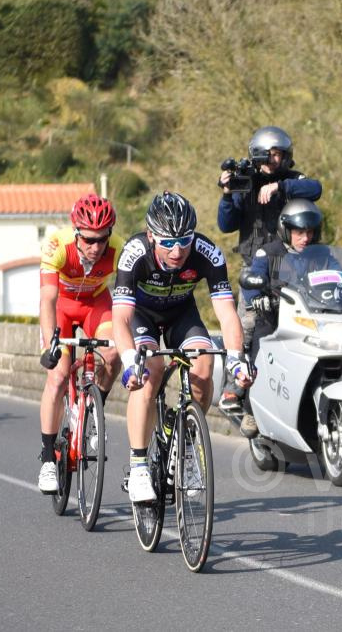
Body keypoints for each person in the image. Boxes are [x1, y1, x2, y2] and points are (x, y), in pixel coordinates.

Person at [113, 191, 253, 503]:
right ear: (151, 236)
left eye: (184, 240)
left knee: (205, 365)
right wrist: (127, 360)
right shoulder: (134, 253)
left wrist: (237, 359)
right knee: (150, 370)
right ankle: (138, 467)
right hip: (141, 316)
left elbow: (227, 313)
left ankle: (187, 445)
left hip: (181, 314)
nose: (177, 250)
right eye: (167, 242)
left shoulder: (208, 253)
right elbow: (120, 318)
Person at [216, 126, 322, 413]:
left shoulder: (291, 180)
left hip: (295, 265)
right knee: (246, 327)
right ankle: (234, 390)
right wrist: (228, 194)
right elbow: (226, 224)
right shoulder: (245, 180)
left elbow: (316, 188)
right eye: (270, 154)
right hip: (257, 267)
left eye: (280, 154)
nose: (275, 160)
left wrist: (280, 187)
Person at [36, 194, 122, 493]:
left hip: (96, 303)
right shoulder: (57, 246)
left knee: (112, 353)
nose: (96, 247)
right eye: (88, 240)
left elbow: (126, 299)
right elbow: (47, 299)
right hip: (62, 305)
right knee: (58, 376)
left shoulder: (118, 249)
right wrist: (50, 344)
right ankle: (48, 458)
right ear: (76, 233)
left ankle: (93, 413)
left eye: (102, 239)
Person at [236, 199, 325, 438]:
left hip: (311, 321)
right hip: (274, 319)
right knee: (260, 352)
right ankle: (250, 409)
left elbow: (339, 275)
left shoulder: (321, 255)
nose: (305, 237)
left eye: (309, 232)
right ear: (287, 230)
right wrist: (257, 297)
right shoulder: (269, 252)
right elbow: (252, 278)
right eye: (299, 232)